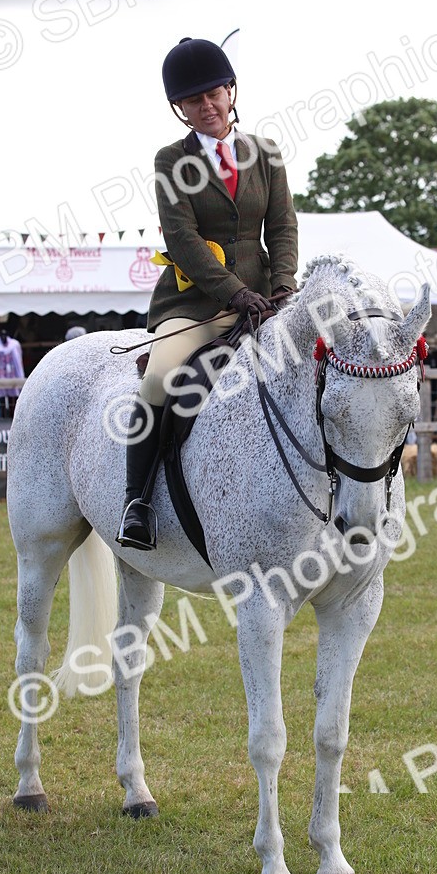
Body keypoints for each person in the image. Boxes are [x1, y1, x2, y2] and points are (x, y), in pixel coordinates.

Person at [117, 37, 299, 550]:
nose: (207, 106)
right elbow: (183, 240)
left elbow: (283, 227)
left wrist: (283, 286)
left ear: (230, 91)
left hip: (267, 300)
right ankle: (138, 503)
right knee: (158, 379)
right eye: (194, 101)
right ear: (181, 109)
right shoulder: (171, 161)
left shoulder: (264, 153)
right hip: (195, 304)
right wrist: (234, 292)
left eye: (214, 94)